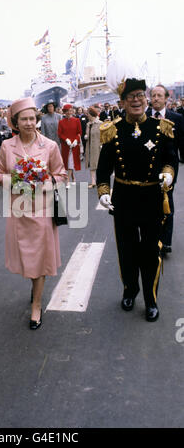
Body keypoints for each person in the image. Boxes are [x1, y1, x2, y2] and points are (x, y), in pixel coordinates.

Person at [96, 77, 177, 322]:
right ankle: (130, 290)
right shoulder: (113, 130)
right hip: (124, 199)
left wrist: (168, 173)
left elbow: (171, 159)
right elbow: (103, 169)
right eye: (130, 97)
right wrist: (103, 191)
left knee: (152, 251)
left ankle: (151, 299)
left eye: (140, 95)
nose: (136, 100)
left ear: (146, 98)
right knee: (127, 249)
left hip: (152, 198)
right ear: (122, 102)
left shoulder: (161, 127)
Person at [0, 97, 67, 330]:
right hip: (19, 211)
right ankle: (35, 286)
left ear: (37, 120)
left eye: (32, 119)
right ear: (15, 122)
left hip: (43, 210)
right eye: (24, 119)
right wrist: (17, 180)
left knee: (41, 259)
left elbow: (61, 175)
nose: (29, 123)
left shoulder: (49, 146)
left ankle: (36, 305)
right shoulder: (7, 146)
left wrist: (43, 181)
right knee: (28, 259)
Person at [147, 84, 184, 255]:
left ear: (166, 98)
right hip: (147, 170)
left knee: (166, 204)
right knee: (150, 207)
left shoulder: (176, 118)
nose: (155, 98)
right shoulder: (144, 117)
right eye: (153, 95)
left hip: (169, 169)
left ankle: (166, 242)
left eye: (159, 95)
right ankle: (151, 240)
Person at [58, 104, 82, 187]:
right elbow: (60, 133)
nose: (69, 112)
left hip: (74, 145)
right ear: (64, 112)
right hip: (66, 145)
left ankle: (67, 180)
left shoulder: (76, 120)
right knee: (67, 162)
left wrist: (76, 140)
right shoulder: (61, 122)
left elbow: (79, 132)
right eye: (67, 111)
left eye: (70, 110)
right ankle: (73, 177)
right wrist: (66, 140)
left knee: (71, 161)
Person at [85, 107, 102, 188]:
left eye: (88, 114)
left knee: (98, 164)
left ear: (92, 114)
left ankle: (100, 181)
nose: (87, 115)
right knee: (91, 164)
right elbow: (87, 135)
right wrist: (85, 136)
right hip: (89, 146)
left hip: (98, 146)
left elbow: (103, 136)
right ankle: (93, 182)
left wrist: (102, 145)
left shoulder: (100, 123)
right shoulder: (88, 124)